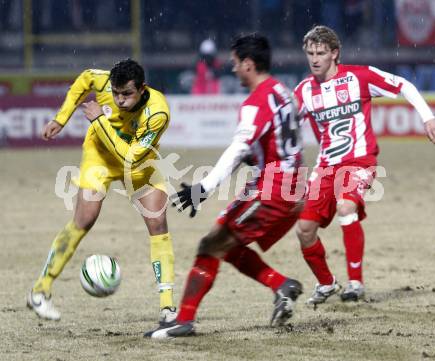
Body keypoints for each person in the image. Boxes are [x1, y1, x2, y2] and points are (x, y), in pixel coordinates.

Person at [144, 33, 305, 339]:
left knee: (210, 245)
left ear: (248, 64)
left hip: (274, 189)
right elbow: (282, 141)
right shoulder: (283, 92)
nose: (231, 69)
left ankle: (185, 320)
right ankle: (280, 284)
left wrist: (203, 188)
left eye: (234, 63)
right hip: (292, 186)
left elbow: (238, 149)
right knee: (226, 242)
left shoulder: (255, 102)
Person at [294, 25, 435, 304]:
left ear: (334, 53)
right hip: (325, 168)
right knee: (304, 229)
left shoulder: (359, 77)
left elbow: (404, 85)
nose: (314, 59)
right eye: (310, 53)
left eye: (321, 53)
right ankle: (326, 283)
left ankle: (355, 283)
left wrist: (428, 118)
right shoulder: (303, 91)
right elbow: (286, 126)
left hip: (359, 161)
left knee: (346, 206)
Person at [27, 59, 177, 325]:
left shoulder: (158, 113)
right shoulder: (106, 82)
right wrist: (61, 118)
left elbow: (130, 157)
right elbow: (84, 78)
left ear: (142, 89)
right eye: (116, 93)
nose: (120, 100)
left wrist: (98, 120)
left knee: (158, 224)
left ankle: (168, 308)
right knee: (84, 219)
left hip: (138, 164)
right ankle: (40, 291)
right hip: (100, 158)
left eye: (127, 94)